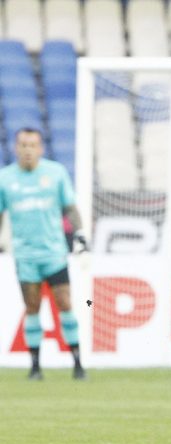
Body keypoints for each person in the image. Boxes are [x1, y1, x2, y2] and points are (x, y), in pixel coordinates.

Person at [0, 128, 87, 380]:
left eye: (32, 145)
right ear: (16, 148)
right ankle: (35, 367)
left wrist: (81, 236)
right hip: (25, 256)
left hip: (54, 253)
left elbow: (70, 207)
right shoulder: (5, 178)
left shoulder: (55, 173)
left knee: (65, 303)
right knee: (32, 307)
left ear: (40, 148)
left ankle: (78, 363)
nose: (28, 150)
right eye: (23, 145)